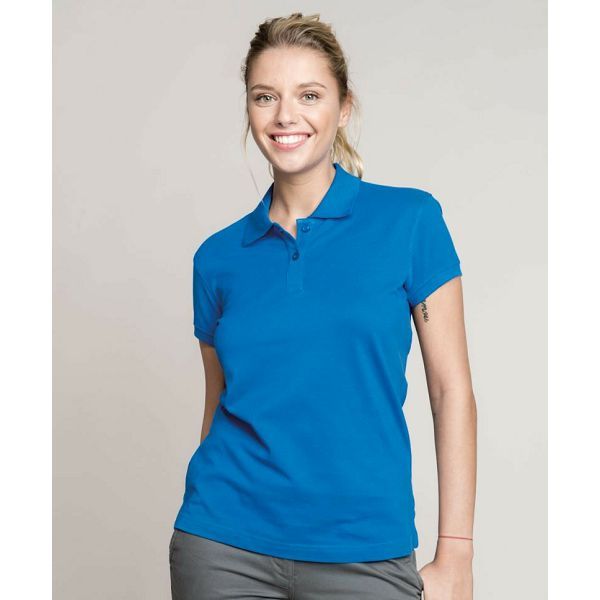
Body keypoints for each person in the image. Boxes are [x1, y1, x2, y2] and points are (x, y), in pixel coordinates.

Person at [170, 12, 476, 600]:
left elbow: (451, 391)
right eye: (266, 96)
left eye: (309, 95)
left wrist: (456, 551)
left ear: (344, 107)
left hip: (364, 549)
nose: (286, 116)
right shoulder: (217, 258)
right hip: (223, 545)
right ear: (250, 110)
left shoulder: (410, 221)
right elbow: (218, 404)